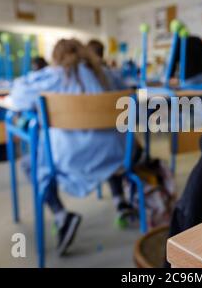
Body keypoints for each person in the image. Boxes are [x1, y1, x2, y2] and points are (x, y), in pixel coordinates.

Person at [10, 39, 139, 256]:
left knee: (28, 163)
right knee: (103, 141)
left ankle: (62, 216)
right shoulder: (108, 75)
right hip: (116, 157)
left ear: (56, 58)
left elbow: (18, 97)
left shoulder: (52, 76)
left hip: (68, 160)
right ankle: (120, 201)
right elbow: (131, 93)